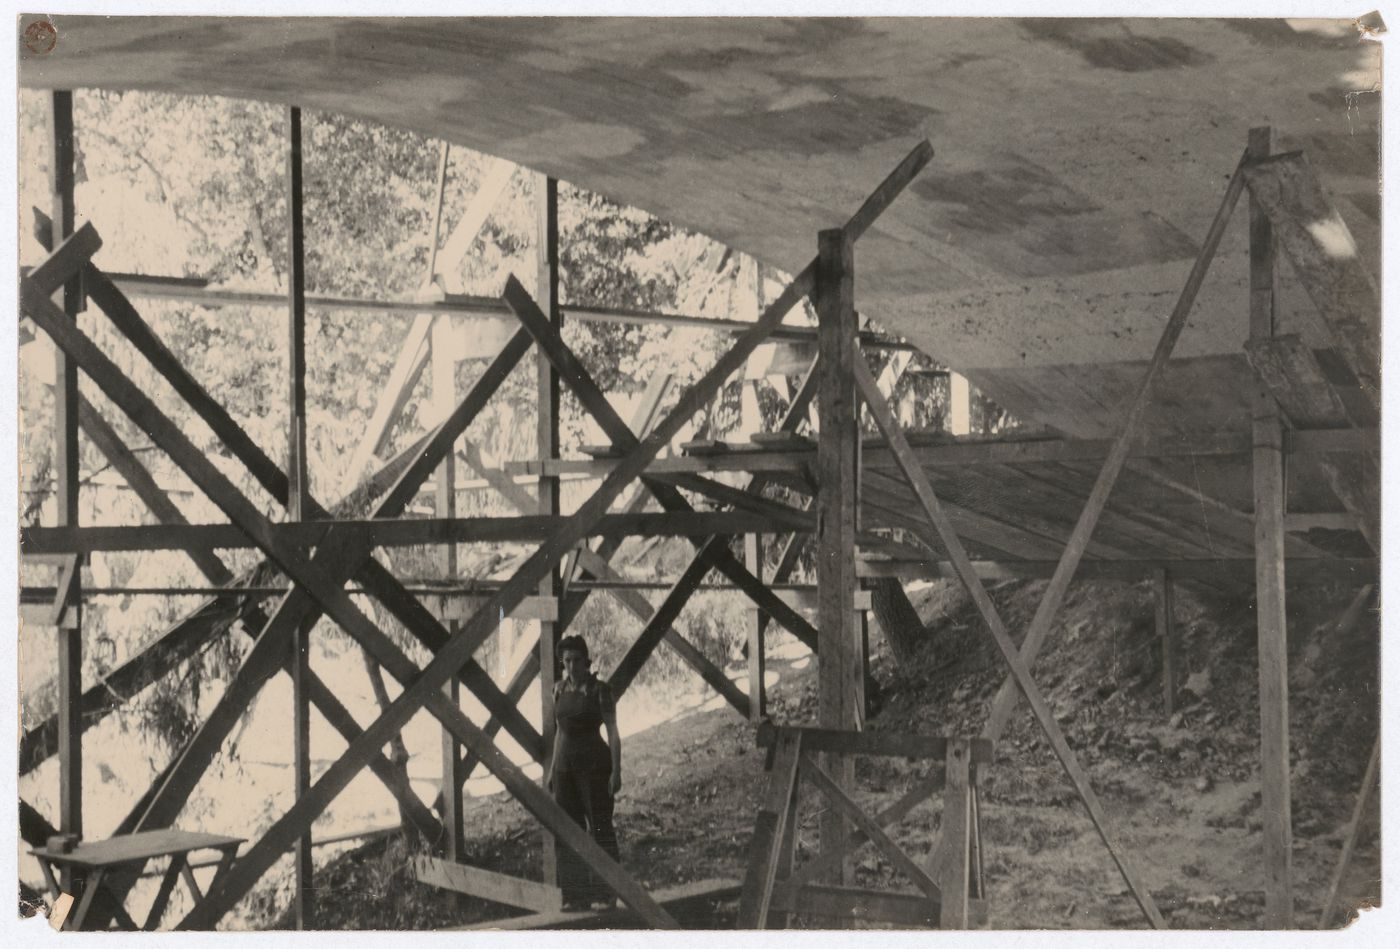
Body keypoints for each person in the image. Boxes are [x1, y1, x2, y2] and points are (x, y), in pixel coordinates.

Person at [542, 635, 622, 910]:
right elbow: (558, 734)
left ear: (586, 661)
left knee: (600, 827)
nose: (572, 666)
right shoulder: (558, 690)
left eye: (576, 660)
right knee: (567, 831)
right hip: (565, 769)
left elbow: (612, 732)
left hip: (595, 768)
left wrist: (617, 771)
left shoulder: (600, 690)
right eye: (566, 661)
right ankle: (576, 896)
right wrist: (552, 770)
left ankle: (607, 892)